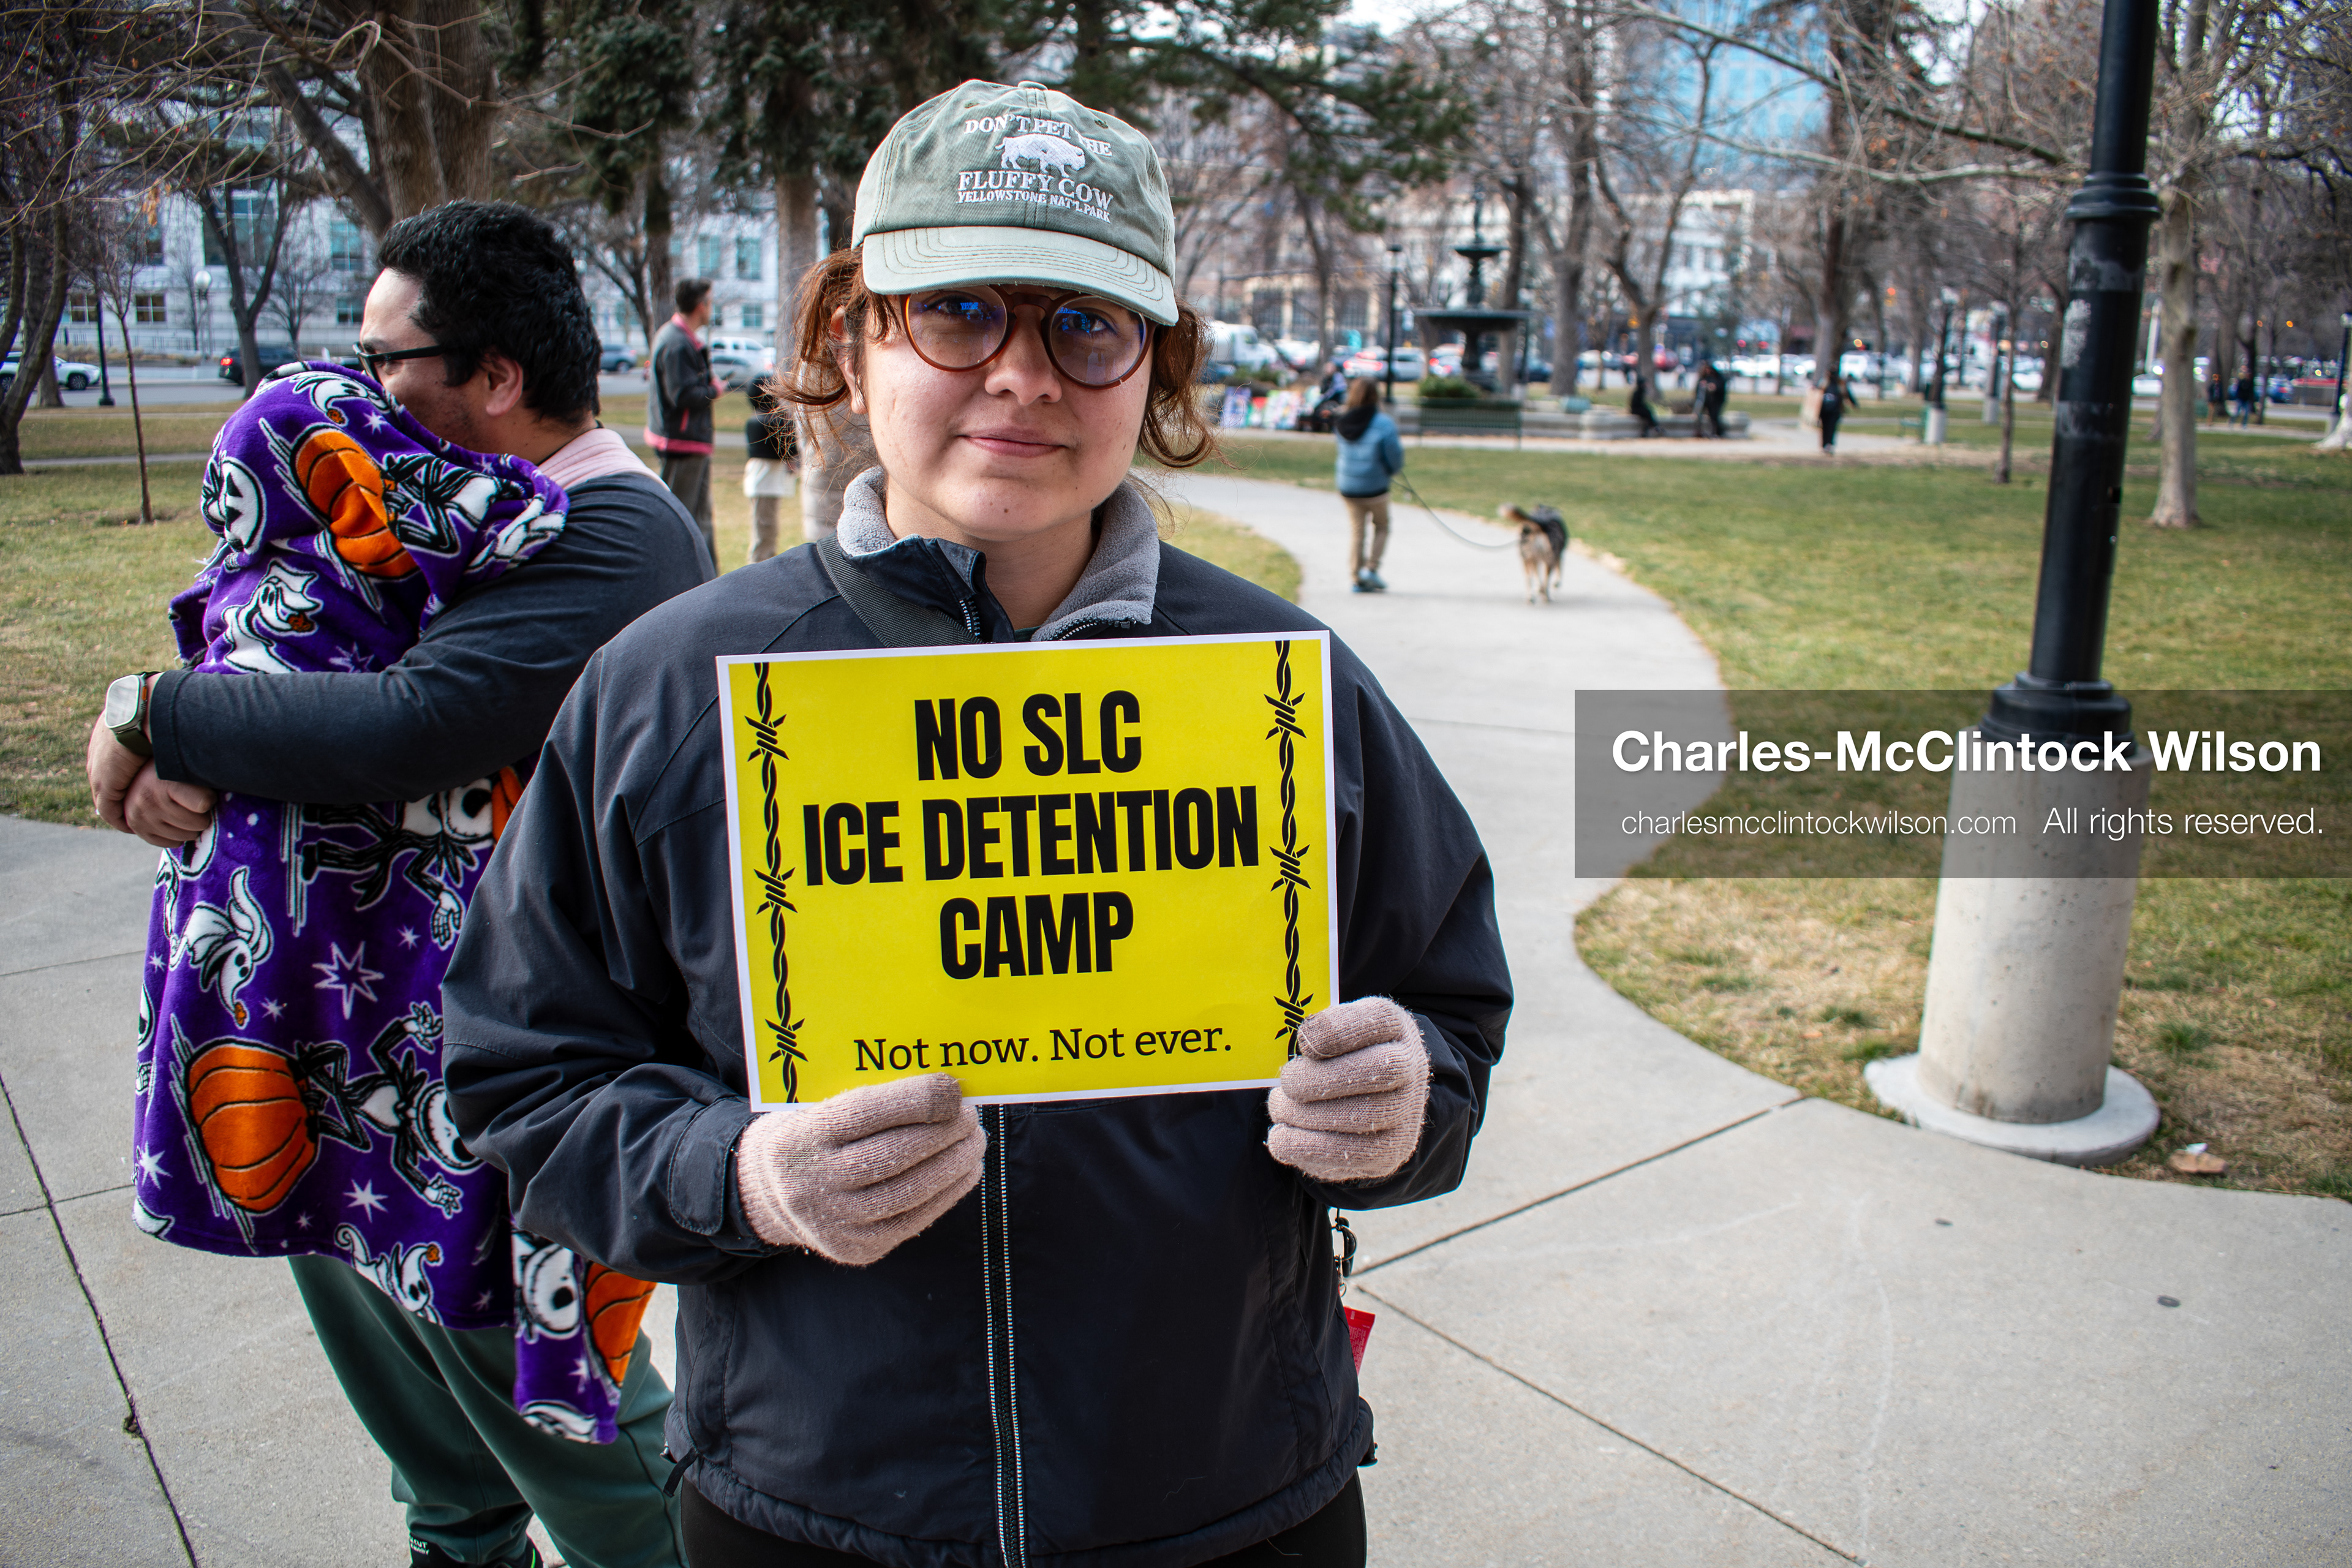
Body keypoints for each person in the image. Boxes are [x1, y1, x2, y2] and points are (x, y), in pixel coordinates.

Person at [440, 78, 1510, 1568]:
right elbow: (520, 1081)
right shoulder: (671, 693)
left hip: (1229, 1497)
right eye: (956, 310)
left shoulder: (1290, 698)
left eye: (1086, 323)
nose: (1022, 375)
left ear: (1155, 366)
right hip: (810, 1503)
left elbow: (1448, 1018)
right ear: (849, 338)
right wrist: (738, 1177)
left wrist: (1406, 1103)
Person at [85, 199, 710, 1568]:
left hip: (505, 1082)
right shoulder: (420, 526)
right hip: (339, 1060)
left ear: (494, 376)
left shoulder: (620, 537)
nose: (354, 392)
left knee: (583, 1437)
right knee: (434, 1447)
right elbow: (295, 656)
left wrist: (150, 710)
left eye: (385, 362)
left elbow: (404, 723)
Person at [650, 278, 725, 560]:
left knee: (700, 518)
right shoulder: (676, 342)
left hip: (693, 443)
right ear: (700, 305)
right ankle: (680, 585)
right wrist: (714, 389)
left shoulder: (681, 339)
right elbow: (681, 395)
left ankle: (707, 583)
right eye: (709, 301)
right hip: (683, 444)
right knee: (682, 520)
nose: (711, 308)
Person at [1333, 377, 1402, 592]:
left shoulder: (1343, 421)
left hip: (1348, 486)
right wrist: (1392, 470)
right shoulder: (1383, 423)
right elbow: (1394, 456)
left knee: (1357, 532)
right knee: (1382, 526)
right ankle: (1371, 569)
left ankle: (1356, 576)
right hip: (1375, 487)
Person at [744, 380, 800, 564]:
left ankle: (763, 559)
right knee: (766, 527)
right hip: (766, 483)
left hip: (763, 481)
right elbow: (789, 449)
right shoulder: (771, 421)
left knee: (765, 526)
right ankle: (760, 562)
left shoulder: (755, 420)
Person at [1818, 374, 1849, 451]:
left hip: (1835, 411)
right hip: (1824, 411)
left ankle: (1829, 444)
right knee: (1825, 428)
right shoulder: (1824, 384)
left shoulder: (1840, 385)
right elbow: (1817, 394)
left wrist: (1854, 404)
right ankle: (1825, 444)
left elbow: (1847, 394)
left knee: (1831, 428)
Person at [1627, 373, 1661, 437]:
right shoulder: (1638, 392)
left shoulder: (1641, 391)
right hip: (1636, 410)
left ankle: (1648, 431)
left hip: (1638, 409)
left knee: (1648, 416)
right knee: (1648, 414)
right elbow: (1636, 404)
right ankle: (1656, 427)